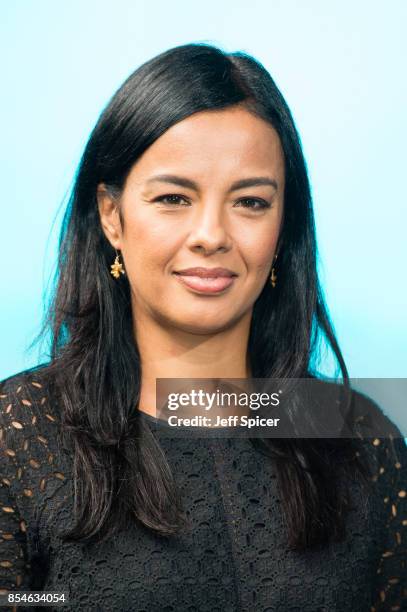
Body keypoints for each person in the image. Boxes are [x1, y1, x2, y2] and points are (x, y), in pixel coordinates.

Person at [0, 42, 406, 612]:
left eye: (250, 203)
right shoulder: (19, 437)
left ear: (283, 228)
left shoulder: (361, 439)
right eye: (173, 198)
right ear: (112, 217)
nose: (211, 234)